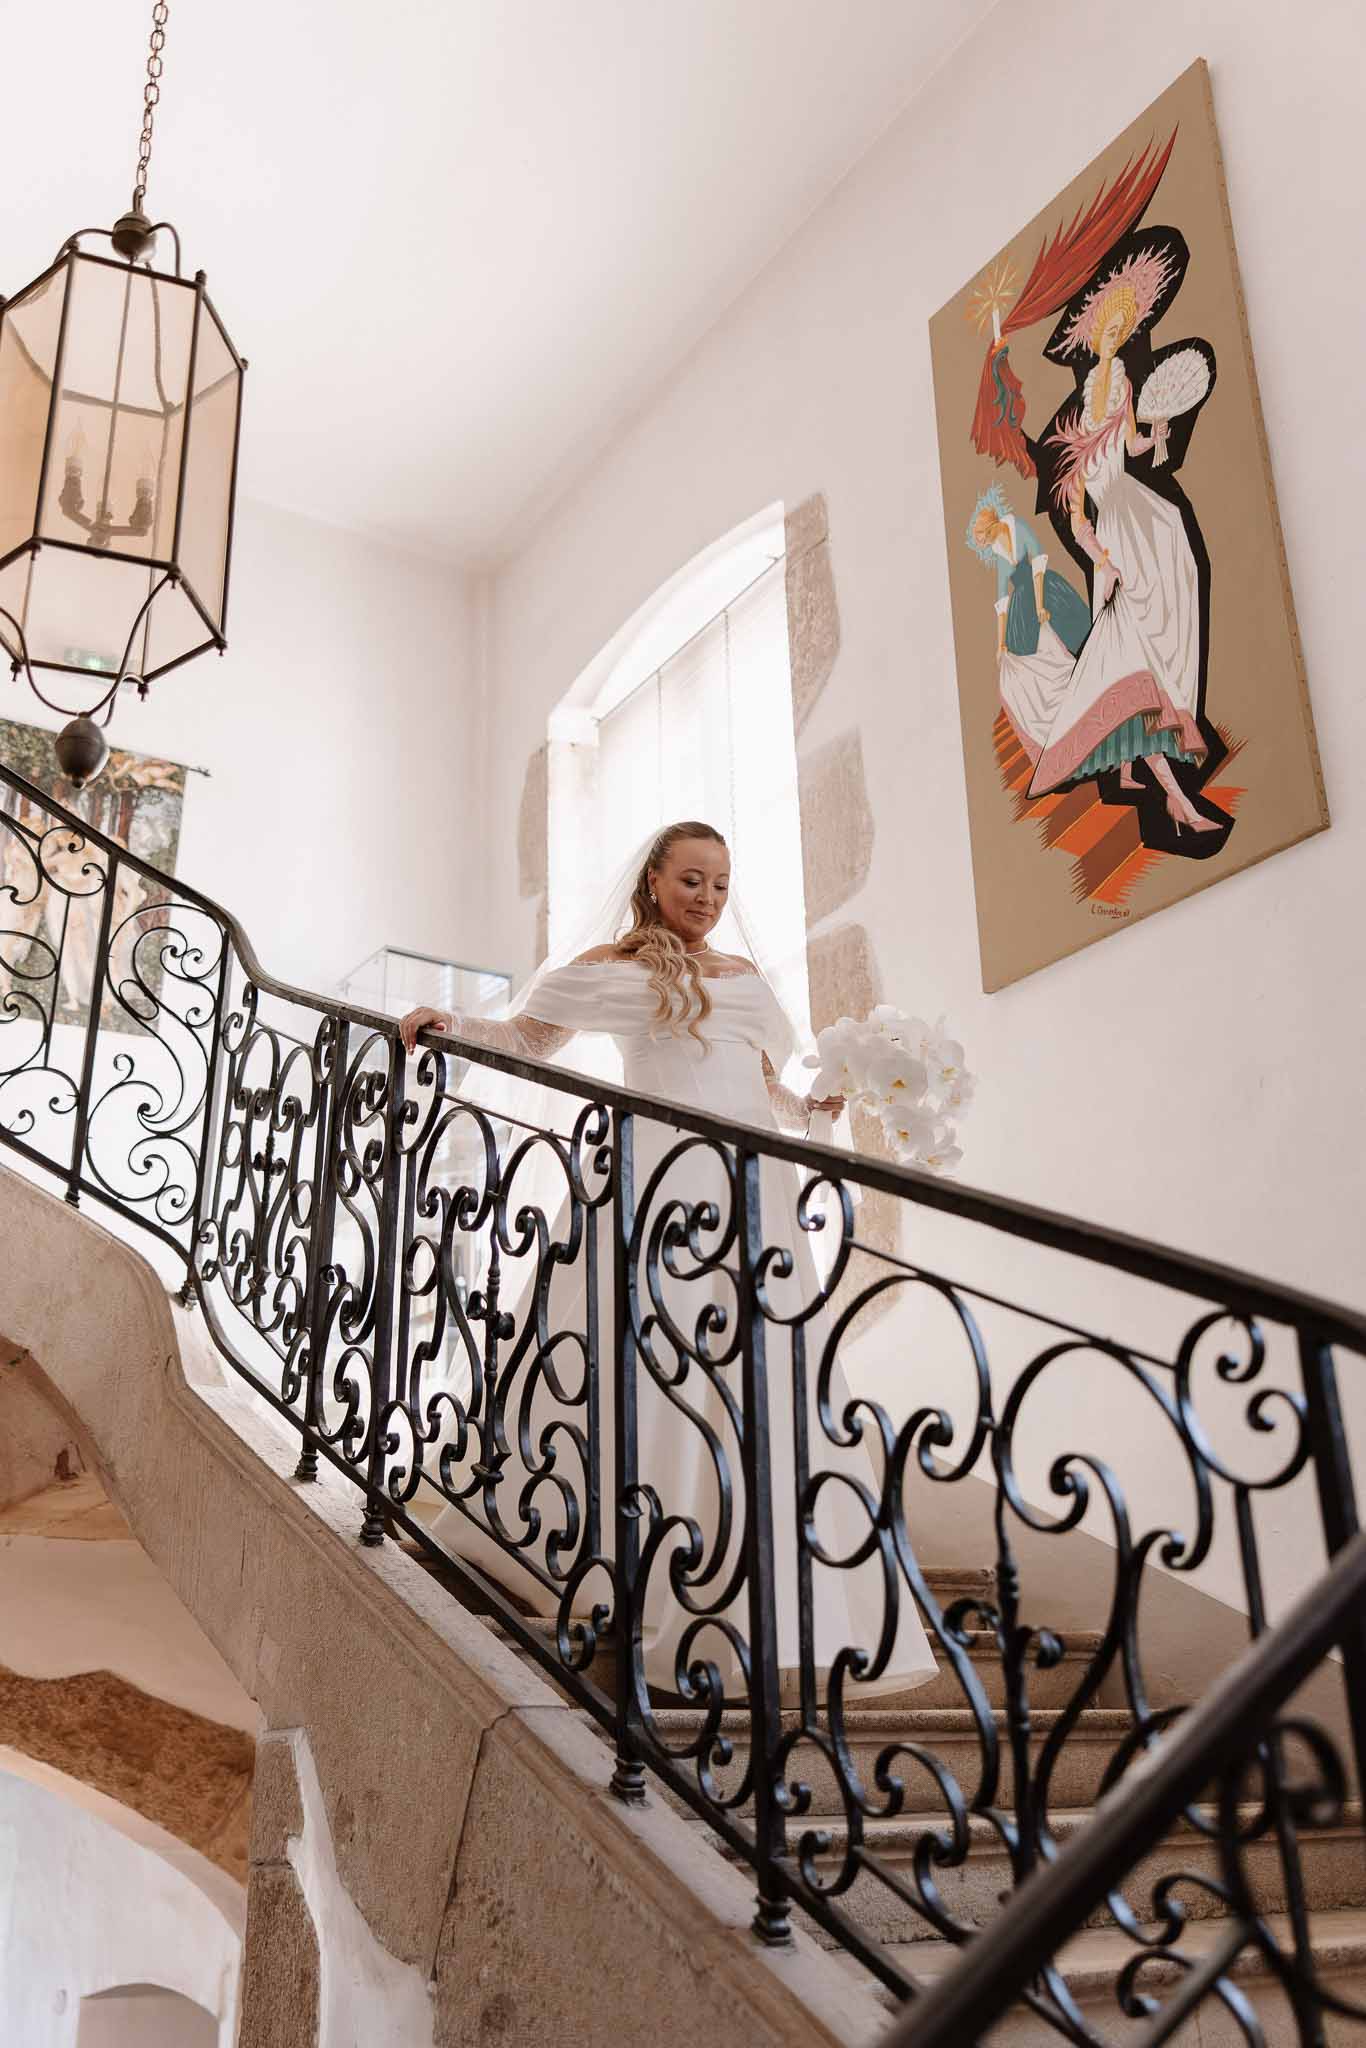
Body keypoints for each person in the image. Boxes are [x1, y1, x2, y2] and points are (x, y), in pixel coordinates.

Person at [399, 821, 938, 1698]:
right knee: (645, 1361)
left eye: (721, 884)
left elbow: (768, 1089)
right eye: (692, 879)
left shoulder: (748, 982)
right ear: (653, 878)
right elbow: (531, 1041)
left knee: (756, 1377)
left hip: (748, 1194)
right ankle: (629, 1560)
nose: (708, 898)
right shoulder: (614, 970)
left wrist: (815, 1103)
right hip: (654, 1181)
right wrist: (449, 1021)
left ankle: (756, 1591)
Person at [1027, 254, 1217, 833]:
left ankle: (1155, 778)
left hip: (1136, 511)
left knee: (1177, 581)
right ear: (1096, 333)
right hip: (1113, 529)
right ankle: (1176, 800)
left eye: (1125, 326)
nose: (1118, 333)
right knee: (1130, 656)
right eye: (1110, 326)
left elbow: (1129, 446)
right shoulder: (1090, 394)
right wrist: (1099, 557)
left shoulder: (1124, 384)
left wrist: (1157, 436)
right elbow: (1089, 469)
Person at [966, 483, 1090, 766]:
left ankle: (1085, 713)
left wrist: (1039, 607)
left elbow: (1037, 564)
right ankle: (1060, 738)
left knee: (1068, 650)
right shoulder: (998, 552)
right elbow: (1001, 602)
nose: (983, 546)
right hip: (1023, 606)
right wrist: (999, 645)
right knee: (1024, 672)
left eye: (982, 540)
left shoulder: (1017, 528)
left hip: (1045, 591)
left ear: (989, 531)